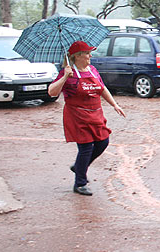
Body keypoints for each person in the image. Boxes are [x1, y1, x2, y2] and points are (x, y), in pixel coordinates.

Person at [48, 40, 126, 196]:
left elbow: (102, 89)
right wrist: (64, 78)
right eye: (87, 53)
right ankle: (80, 183)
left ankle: (79, 167)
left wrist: (114, 105)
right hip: (77, 116)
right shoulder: (68, 73)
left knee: (103, 142)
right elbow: (51, 92)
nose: (90, 55)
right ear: (78, 56)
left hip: (95, 114)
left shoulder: (92, 70)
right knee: (86, 147)